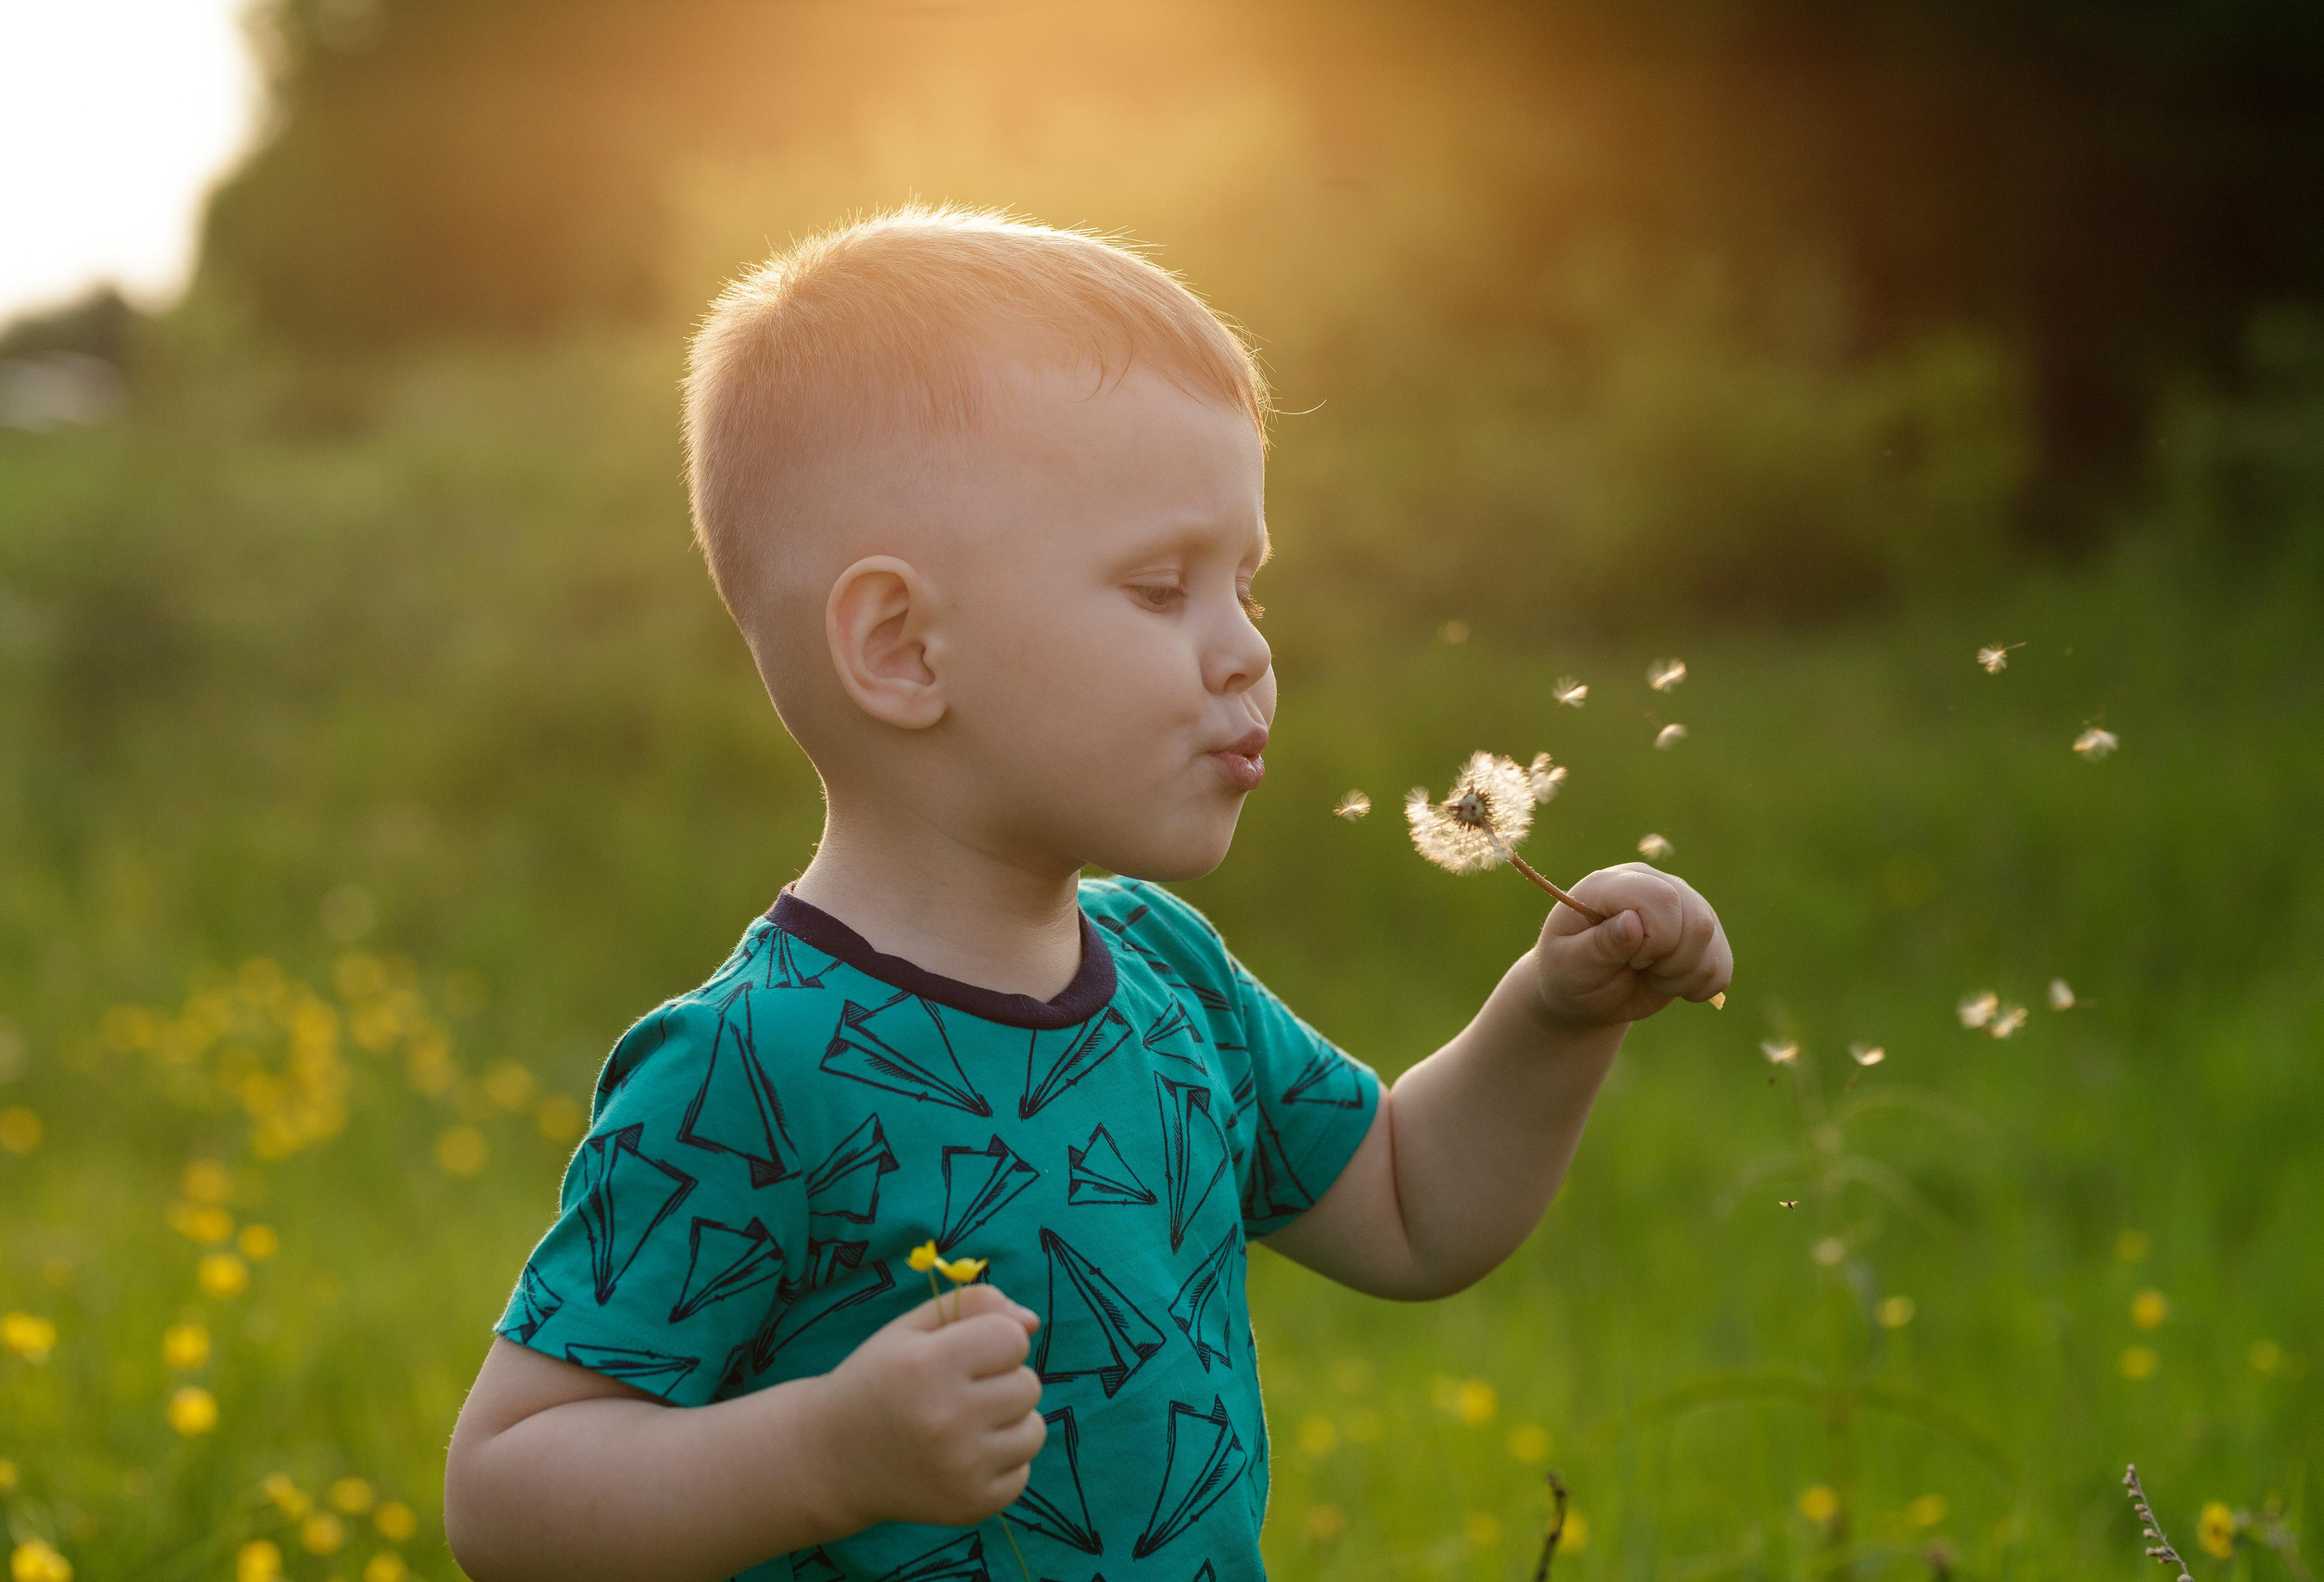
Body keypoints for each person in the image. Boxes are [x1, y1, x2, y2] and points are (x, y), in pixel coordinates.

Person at [440, 201, 1732, 1582]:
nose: (1244, 653)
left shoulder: (1168, 977)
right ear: (903, 648)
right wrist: (823, 1456)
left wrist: (1555, 1014)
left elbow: (1414, 1207)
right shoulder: (753, 1065)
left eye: (1246, 586)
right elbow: (509, 1494)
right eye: (1162, 585)